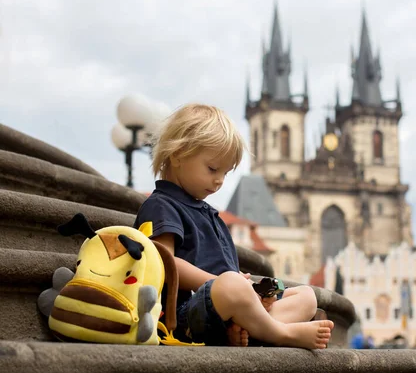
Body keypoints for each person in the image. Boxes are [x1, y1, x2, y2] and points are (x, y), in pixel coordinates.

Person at [134, 104, 334, 349]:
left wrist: (250, 288)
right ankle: (282, 333)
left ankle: (247, 329)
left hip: (222, 308)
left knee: (306, 296)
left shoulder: (208, 214)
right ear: (178, 155)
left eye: (225, 173)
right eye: (212, 169)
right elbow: (164, 261)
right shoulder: (162, 205)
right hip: (180, 318)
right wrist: (225, 282)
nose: (219, 181)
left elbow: (223, 271)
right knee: (230, 285)